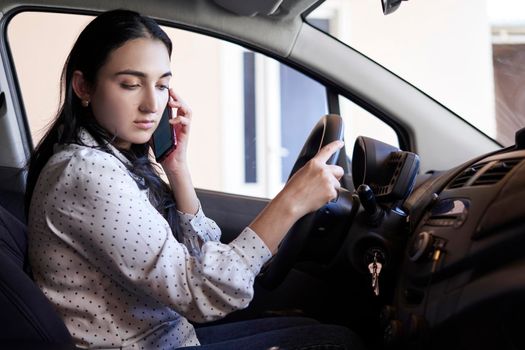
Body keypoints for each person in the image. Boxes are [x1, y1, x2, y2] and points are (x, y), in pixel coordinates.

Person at [26, 9, 363, 350]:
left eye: (162, 85)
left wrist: (177, 169)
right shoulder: (87, 173)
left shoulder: (114, 161)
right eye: (130, 84)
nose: (151, 104)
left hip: (170, 336)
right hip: (151, 344)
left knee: (311, 329)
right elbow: (203, 292)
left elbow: (199, 256)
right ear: (83, 86)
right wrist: (291, 202)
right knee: (335, 342)